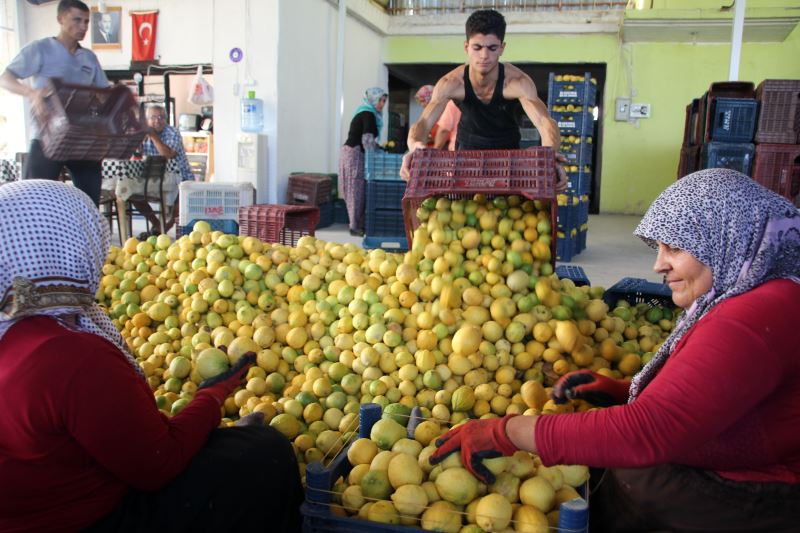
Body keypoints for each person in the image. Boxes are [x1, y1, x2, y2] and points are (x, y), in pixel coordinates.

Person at [430, 168, 800, 532]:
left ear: (725, 238)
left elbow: (650, 430)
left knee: (633, 474)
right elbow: (706, 399)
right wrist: (621, 393)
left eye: (676, 247)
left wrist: (506, 433)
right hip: (722, 459)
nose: (659, 265)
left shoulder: (756, 316)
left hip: (753, 488)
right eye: (659, 248)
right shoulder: (750, 293)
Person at [0, 180, 303, 532]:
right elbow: (159, 465)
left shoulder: (17, 334)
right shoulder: (74, 357)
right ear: (73, 245)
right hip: (91, 519)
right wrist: (211, 396)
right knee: (264, 452)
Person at [400, 9, 566, 188]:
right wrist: (414, 146)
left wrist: (551, 156)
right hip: (466, 153)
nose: (484, 56)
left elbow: (544, 122)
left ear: (502, 48)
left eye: (492, 48)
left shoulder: (518, 82)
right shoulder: (451, 83)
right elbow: (424, 123)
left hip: (508, 155)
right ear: (466, 47)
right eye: (477, 47)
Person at [0, 0, 110, 206]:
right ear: (60, 19)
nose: (83, 27)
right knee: (32, 199)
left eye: (86, 22)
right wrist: (32, 93)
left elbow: (104, 93)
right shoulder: (40, 49)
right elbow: (5, 78)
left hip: (82, 140)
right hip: (48, 137)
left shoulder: (89, 58)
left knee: (90, 202)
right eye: (77, 20)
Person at [129, 105, 194, 238]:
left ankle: (163, 229)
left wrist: (153, 136)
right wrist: (137, 143)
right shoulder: (142, 133)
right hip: (153, 178)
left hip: (180, 177)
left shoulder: (173, 132)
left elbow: (168, 155)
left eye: (161, 117)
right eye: (153, 117)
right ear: (146, 120)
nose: (157, 121)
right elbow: (133, 157)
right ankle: (157, 224)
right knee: (131, 193)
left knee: (180, 205)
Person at [339, 86, 387, 237]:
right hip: (354, 153)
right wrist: (378, 151)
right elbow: (367, 139)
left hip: (351, 152)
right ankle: (354, 226)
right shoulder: (368, 113)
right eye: (380, 100)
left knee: (356, 188)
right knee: (355, 189)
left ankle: (357, 224)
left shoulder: (366, 112)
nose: (382, 104)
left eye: (384, 101)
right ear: (373, 99)